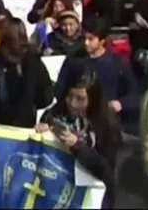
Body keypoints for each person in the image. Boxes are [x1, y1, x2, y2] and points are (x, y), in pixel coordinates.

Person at [36, 69, 122, 209]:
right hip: (56, 192)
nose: (73, 103)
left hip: (90, 199)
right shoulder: (54, 114)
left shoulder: (107, 128)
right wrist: (43, 131)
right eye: (70, 96)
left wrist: (78, 146)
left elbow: (106, 171)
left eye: (80, 99)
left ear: (93, 100)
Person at [0, 17, 54, 128]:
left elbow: (29, 91)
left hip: (22, 122)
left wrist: (20, 119)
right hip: (0, 120)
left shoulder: (30, 58)